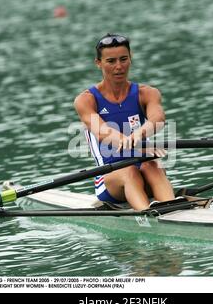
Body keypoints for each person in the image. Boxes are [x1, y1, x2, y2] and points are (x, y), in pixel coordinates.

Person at [73, 33, 175, 210]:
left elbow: (158, 119)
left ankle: (174, 211)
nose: (119, 67)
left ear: (131, 58)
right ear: (99, 63)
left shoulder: (147, 93)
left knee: (152, 165)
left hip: (147, 170)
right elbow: (103, 132)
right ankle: (147, 215)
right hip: (109, 179)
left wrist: (140, 133)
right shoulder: (86, 100)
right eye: (111, 61)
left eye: (123, 59)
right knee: (130, 171)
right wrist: (136, 145)